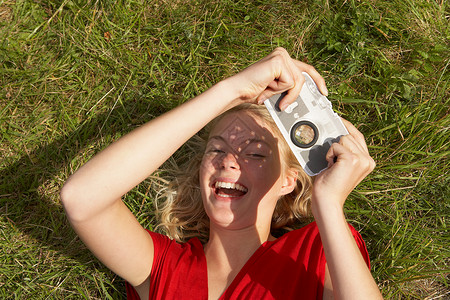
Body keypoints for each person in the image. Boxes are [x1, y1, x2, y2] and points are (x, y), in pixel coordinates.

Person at [60, 47, 382, 299]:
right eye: (216, 149)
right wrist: (232, 91)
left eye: (255, 153)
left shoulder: (315, 250)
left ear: (288, 181)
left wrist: (327, 203)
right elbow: (83, 198)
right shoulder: (165, 269)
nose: (229, 161)